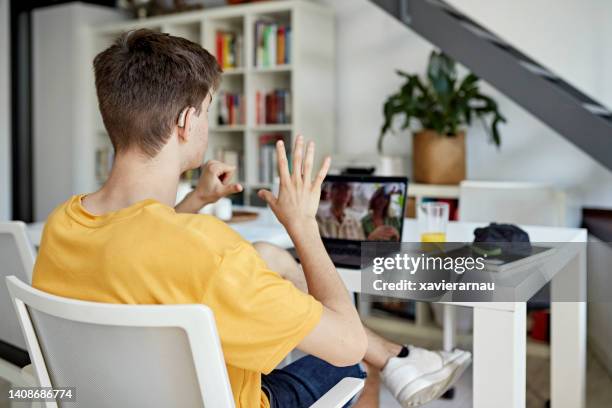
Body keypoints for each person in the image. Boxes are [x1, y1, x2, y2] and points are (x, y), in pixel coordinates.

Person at [32, 29, 470, 408]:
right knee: (355, 360)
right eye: (206, 110)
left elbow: (132, 247)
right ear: (186, 121)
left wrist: (197, 200)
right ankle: (394, 361)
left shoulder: (62, 225)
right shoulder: (210, 250)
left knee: (263, 256)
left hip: (110, 394)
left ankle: (401, 359)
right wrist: (303, 226)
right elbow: (347, 342)